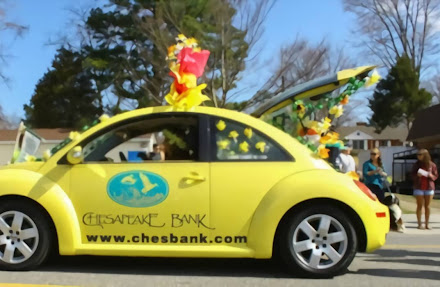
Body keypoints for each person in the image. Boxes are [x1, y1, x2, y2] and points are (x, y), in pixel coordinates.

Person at [411, 149, 438, 230]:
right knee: (419, 205)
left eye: (420, 154)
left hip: (429, 187)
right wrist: (417, 175)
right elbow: (411, 175)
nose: (418, 156)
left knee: (427, 206)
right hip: (419, 187)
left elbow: (435, 176)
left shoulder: (432, 165)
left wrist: (430, 175)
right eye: (418, 155)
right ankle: (419, 224)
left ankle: (427, 224)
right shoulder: (416, 165)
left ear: (425, 155)